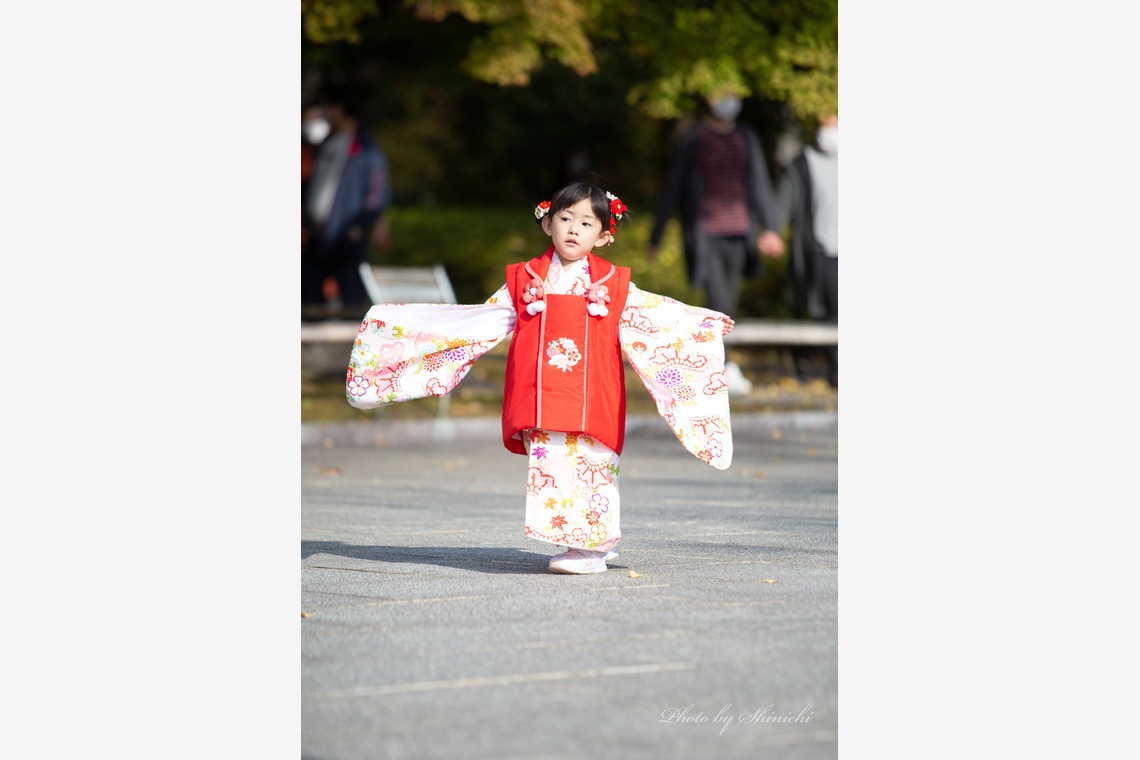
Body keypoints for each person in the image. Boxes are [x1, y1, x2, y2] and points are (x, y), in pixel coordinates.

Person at [347, 182, 737, 574]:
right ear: (548, 223)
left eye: (586, 223)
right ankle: (575, 544)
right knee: (551, 464)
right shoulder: (524, 279)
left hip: (593, 393)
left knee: (593, 463)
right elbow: (480, 320)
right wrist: (403, 331)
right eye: (565, 219)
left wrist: (700, 322)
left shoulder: (614, 285)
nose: (573, 229)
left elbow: (655, 315)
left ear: (603, 237)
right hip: (541, 393)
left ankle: (593, 548)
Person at [647, 93, 786, 396]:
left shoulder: (745, 136)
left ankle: (716, 365)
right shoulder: (693, 138)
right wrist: (656, 236)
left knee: (728, 301)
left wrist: (771, 228)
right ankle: (722, 366)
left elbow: (759, 182)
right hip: (706, 233)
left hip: (739, 233)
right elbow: (674, 186)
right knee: (717, 299)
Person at [302, 88, 391, 314]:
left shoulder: (365, 149)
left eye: (329, 107)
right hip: (316, 235)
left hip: (347, 235)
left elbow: (376, 194)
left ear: (340, 110)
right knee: (310, 298)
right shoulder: (325, 144)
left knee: (350, 298)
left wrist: (359, 226)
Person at [767, 113, 838, 387]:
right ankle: (821, 366)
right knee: (825, 308)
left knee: (832, 310)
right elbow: (786, 198)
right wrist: (774, 229)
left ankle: (824, 364)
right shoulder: (803, 163)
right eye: (826, 125)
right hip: (821, 247)